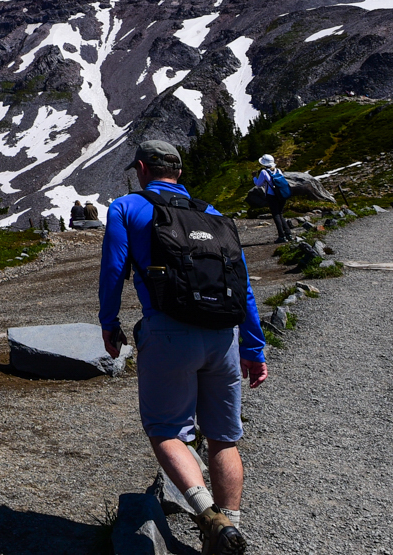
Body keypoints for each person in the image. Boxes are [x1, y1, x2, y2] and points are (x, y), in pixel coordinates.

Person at [100, 140, 268, 555]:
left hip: (169, 333)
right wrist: (254, 347)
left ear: (142, 168)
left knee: (167, 431)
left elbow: (113, 270)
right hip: (223, 337)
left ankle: (211, 518)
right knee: (223, 439)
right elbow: (242, 286)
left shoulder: (127, 207)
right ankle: (229, 531)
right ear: (178, 172)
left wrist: (109, 323)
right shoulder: (213, 215)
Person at [251, 154, 293, 244]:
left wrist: (254, 177)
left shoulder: (264, 172)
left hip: (272, 196)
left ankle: (281, 236)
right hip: (281, 195)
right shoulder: (278, 170)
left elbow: (258, 184)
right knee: (280, 214)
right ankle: (288, 234)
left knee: (276, 215)